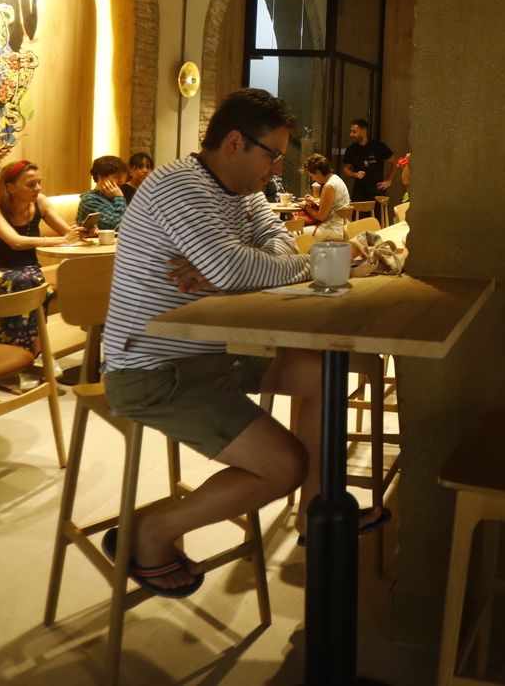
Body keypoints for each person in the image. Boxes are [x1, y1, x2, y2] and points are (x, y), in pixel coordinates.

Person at [101, 88, 375, 597]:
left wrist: (240, 271)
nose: (277, 167)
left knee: (324, 370)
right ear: (234, 142)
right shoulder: (175, 187)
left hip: (217, 351)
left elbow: (275, 249)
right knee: (283, 464)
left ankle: (316, 514)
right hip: (153, 369)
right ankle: (149, 532)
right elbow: (241, 266)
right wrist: (243, 269)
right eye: (272, 154)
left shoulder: (245, 193)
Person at [0, 159, 87, 351]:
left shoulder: (40, 202)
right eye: (31, 184)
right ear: (10, 187)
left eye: (39, 183)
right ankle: (14, 353)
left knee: (35, 281)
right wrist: (62, 240)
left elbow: (65, 232)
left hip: (28, 269)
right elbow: (16, 242)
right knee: (25, 282)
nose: (38, 188)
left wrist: (81, 232)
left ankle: (33, 352)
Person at [339, 119, 394, 205]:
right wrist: (355, 174)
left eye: (354, 132)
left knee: (377, 218)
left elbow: (394, 162)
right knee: (359, 218)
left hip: (377, 190)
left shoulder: (378, 146)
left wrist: (389, 180)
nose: (351, 135)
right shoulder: (351, 149)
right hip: (359, 192)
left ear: (364, 131)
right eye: (351, 132)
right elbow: (346, 169)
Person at [303, 153, 352, 241]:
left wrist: (306, 208)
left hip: (334, 229)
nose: (313, 178)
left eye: (312, 175)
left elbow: (321, 216)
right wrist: (314, 204)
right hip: (344, 226)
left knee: (295, 234)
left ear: (317, 172)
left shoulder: (329, 186)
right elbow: (330, 209)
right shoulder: (336, 179)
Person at [78, 155, 129, 230]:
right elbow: (117, 226)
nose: (121, 180)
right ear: (101, 177)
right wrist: (119, 198)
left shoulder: (113, 196)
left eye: (123, 176)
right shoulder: (90, 200)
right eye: (116, 176)